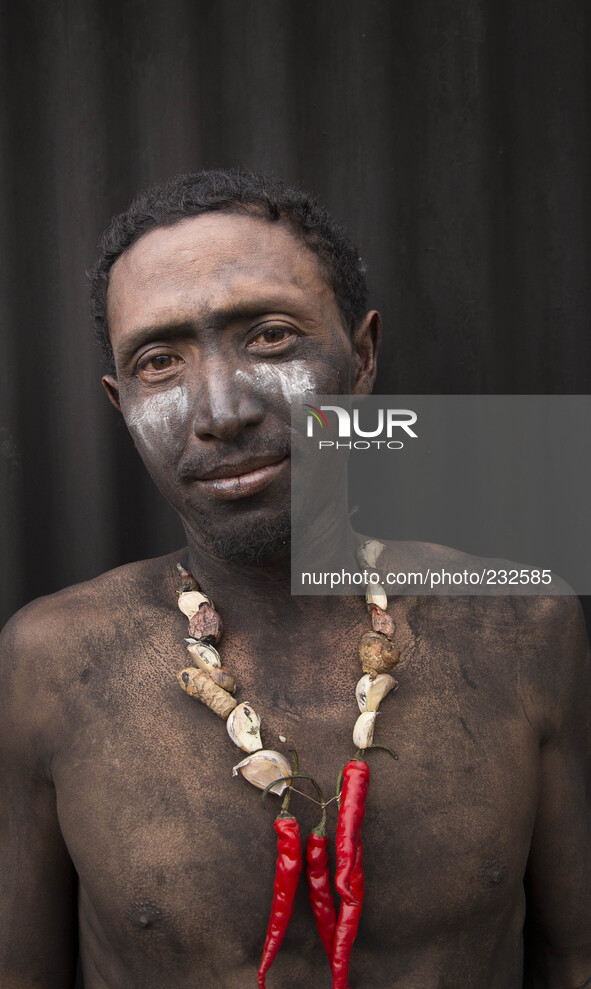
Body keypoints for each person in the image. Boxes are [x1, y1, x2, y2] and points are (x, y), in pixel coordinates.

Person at [1, 169, 590, 989]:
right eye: (159, 359)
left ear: (362, 356)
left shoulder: (525, 622)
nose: (220, 410)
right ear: (120, 402)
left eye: (270, 335)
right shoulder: (49, 660)